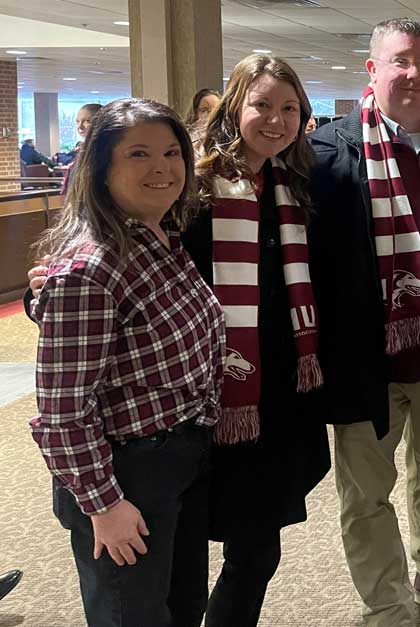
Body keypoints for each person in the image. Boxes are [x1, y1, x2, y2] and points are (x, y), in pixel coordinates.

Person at [307, 18, 420, 625]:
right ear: (373, 69)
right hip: (366, 356)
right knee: (365, 492)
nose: (415, 74)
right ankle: (385, 601)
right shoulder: (331, 152)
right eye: (401, 61)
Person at [30, 98, 223, 627]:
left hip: (176, 459)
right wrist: (104, 505)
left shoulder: (162, 238)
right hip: (123, 474)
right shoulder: (90, 268)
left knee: (181, 609)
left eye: (170, 153)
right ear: (101, 168)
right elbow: (62, 414)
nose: (161, 168)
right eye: (138, 154)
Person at [191, 54, 331, 625]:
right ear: (234, 106)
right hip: (207, 391)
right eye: (262, 105)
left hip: (273, 389)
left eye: (289, 108)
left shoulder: (289, 185)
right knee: (194, 547)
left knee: (257, 549)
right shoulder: (195, 186)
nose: (276, 119)